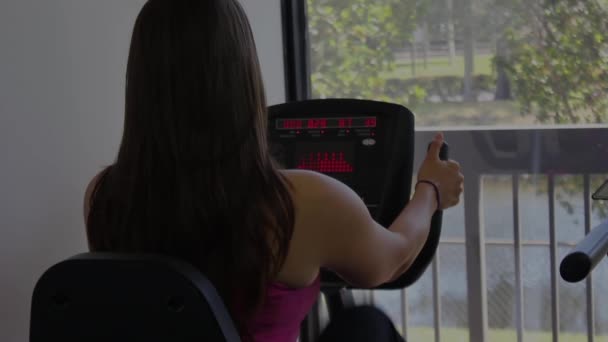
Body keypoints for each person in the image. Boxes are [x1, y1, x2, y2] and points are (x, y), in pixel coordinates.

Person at [83, 1, 464, 341]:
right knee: (366, 325)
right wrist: (430, 190)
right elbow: (392, 258)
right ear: (241, 77)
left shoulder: (105, 196)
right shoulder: (300, 201)